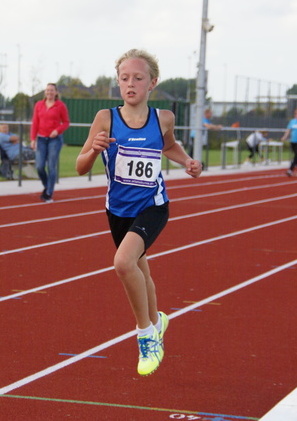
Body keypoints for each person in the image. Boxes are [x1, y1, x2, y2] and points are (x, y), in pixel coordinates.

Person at [76, 49, 202, 376]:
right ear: (117, 82)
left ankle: (147, 335)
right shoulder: (105, 117)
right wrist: (94, 149)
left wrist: (186, 160)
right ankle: (160, 320)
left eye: (138, 78)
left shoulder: (164, 118)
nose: (130, 84)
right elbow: (79, 166)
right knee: (141, 272)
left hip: (152, 206)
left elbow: (168, 145)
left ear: (152, 83)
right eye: (124, 78)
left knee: (123, 263)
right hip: (118, 210)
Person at [30, 83, 70, 202]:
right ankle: (47, 185)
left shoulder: (60, 106)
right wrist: (33, 139)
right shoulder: (39, 105)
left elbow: (66, 122)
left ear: (56, 92)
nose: (49, 93)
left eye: (52, 90)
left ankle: (49, 193)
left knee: (51, 166)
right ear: (45, 92)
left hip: (55, 140)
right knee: (40, 166)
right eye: (47, 90)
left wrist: (57, 131)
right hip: (41, 139)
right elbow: (35, 123)